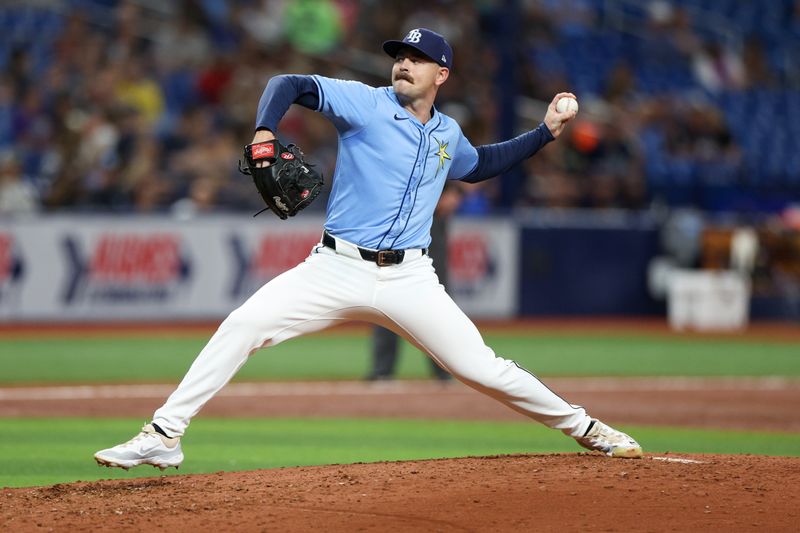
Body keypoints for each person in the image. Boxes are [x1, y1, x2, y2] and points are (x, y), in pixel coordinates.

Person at [94, 28, 642, 470]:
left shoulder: (448, 133)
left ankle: (587, 428)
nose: (404, 64)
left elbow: (481, 167)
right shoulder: (364, 103)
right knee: (242, 325)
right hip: (334, 268)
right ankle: (164, 435)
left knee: (482, 369)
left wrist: (545, 130)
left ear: (441, 74)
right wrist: (264, 130)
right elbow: (288, 83)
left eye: (418, 58)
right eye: (400, 55)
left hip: (410, 280)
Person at [367, 183, 462, 382]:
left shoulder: (439, 214)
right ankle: (382, 371)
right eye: (451, 195)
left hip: (430, 257)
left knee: (437, 319)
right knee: (388, 311)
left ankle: (444, 372)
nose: (454, 200)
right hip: (401, 255)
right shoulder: (412, 206)